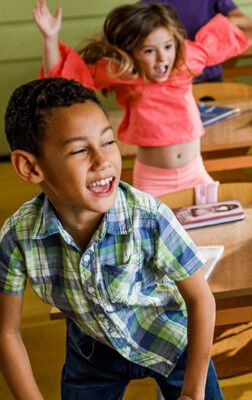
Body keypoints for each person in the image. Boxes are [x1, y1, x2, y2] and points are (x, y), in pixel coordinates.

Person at [0, 77, 221, 399]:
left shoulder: (149, 217)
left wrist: (193, 391)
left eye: (107, 142)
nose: (103, 161)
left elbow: (201, 299)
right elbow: (6, 332)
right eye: (79, 150)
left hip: (172, 340)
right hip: (93, 351)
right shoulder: (17, 239)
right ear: (30, 167)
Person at [33, 0, 252, 196]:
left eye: (167, 46)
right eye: (149, 51)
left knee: (213, 228)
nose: (163, 58)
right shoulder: (123, 73)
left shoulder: (184, 60)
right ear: (132, 53)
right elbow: (64, 80)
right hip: (153, 180)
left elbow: (224, 45)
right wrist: (50, 39)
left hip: (195, 172)